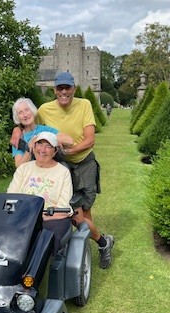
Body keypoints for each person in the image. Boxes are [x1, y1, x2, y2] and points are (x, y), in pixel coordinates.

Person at [10, 72, 114, 269]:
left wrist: (47, 141)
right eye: (60, 88)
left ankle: (100, 243)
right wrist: (21, 135)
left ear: (73, 88)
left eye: (67, 87)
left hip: (70, 167)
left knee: (80, 215)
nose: (64, 91)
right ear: (54, 90)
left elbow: (79, 140)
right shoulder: (31, 125)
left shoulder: (52, 123)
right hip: (41, 181)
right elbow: (20, 166)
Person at [7, 131, 73, 256]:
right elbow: (11, 196)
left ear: (54, 151)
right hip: (22, 216)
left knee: (45, 242)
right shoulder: (23, 168)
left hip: (51, 218)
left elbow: (63, 207)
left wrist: (38, 217)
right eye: (40, 144)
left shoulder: (63, 172)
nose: (43, 150)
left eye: (48, 146)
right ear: (34, 147)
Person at [11, 97, 74, 167]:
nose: (25, 115)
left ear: (32, 111)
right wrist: (29, 148)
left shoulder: (44, 129)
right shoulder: (18, 138)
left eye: (26, 110)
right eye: (20, 113)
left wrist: (41, 137)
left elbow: (70, 141)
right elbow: (19, 166)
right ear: (17, 117)